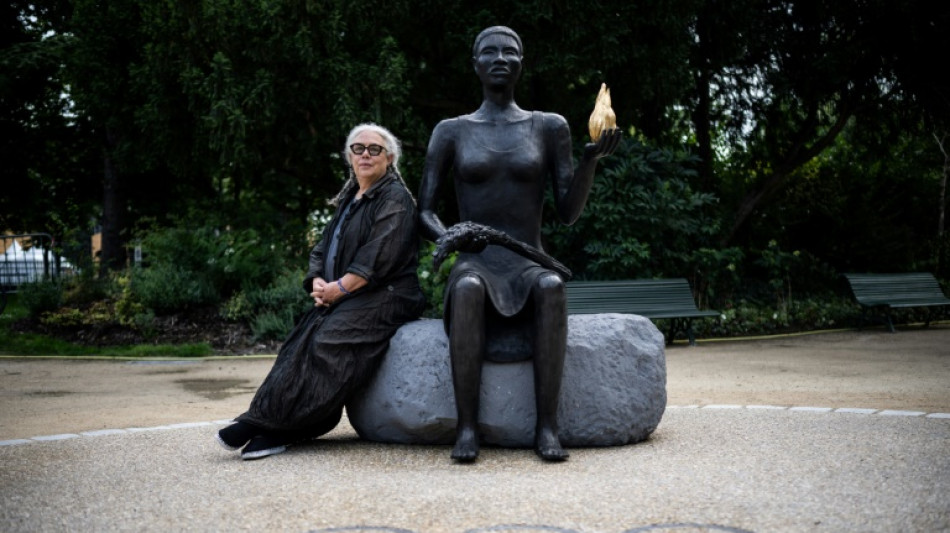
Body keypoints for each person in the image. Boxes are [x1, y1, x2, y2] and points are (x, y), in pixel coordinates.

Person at [418, 26, 620, 463]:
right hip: (475, 262)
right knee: (469, 289)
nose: (499, 59)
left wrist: (588, 163)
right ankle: (467, 427)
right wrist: (450, 236)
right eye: (488, 52)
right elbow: (425, 211)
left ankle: (547, 427)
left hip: (529, 259)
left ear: (521, 63)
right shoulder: (451, 131)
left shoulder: (548, 127)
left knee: (551, 286)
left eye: (510, 52)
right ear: (475, 64)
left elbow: (567, 213)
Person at [217, 123, 426, 460]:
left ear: (389, 158)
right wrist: (317, 279)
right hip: (352, 294)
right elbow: (322, 248)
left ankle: (285, 428)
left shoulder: (394, 198)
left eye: (375, 149)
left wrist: (339, 288)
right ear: (350, 156)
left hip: (389, 296)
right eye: (359, 148)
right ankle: (259, 420)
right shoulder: (350, 197)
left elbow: (378, 255)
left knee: (329, 340)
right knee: (298, 343)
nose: (366, 154)